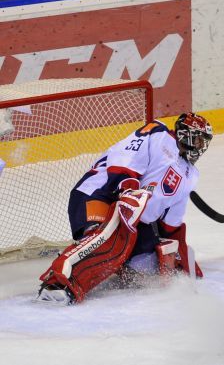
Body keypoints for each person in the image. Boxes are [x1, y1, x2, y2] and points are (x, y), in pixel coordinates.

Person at [35, 112, 213, 305]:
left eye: (204, 143)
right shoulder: (157, 133)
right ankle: (57, 284)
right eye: (198, 140)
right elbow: (124, 158)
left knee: (147, 271)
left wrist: (185, 266)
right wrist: (128, 189)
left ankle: (109, 262)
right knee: (110, 240)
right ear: (184, 135)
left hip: (133, 218)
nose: (200, 147)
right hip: (100, 193)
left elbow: (171, 226)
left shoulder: (190, 175)